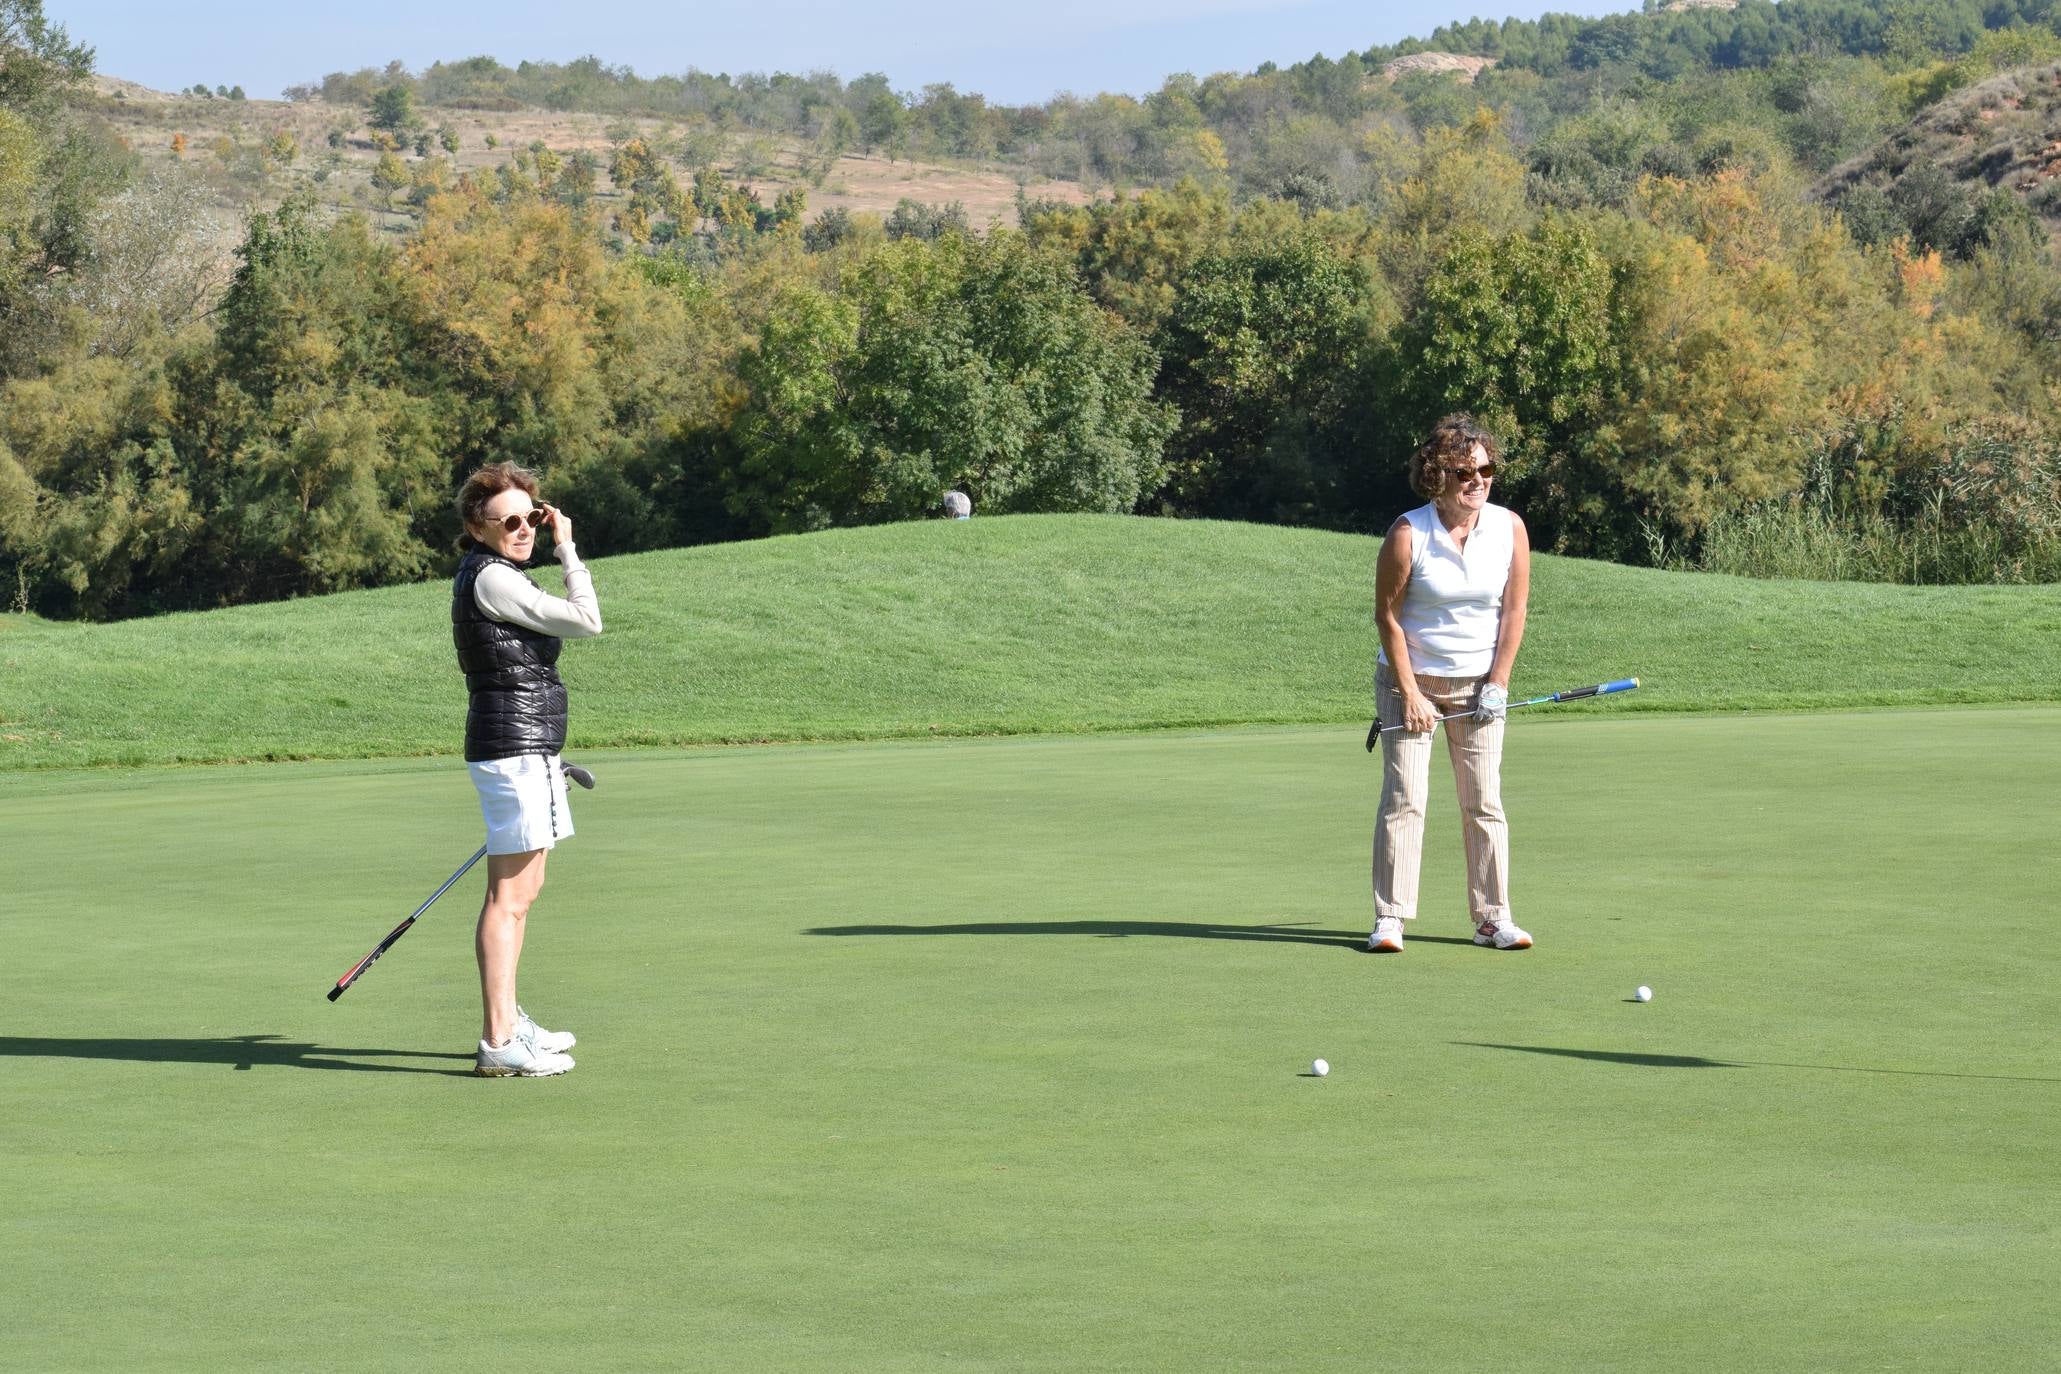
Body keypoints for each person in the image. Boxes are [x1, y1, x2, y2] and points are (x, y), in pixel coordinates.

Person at [451, 463, 604, 1075]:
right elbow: (586, 618)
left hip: (525, 748)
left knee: (524, 891)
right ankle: (499, 1040)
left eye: (532, 519)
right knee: (508, 899)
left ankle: (511, 1020)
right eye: (508, 521)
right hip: (513, 752)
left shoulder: (495, 573)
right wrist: (568, 546)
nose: (524, 530)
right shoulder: (494, 579)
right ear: (477, 528)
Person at [1368, 414, 1532, 955]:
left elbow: (1514, 612)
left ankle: (1492, 919)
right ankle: (1390, 918)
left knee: (1483, 801)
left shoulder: (1509, 528)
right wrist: (1410, 692)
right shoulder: (1408, 534)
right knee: (1406, 798)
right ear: (1436, 474)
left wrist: (1498, 683)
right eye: (1465, 472)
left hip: (1479, 685)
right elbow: (1387, 618)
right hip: (1408, 683)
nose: (1479, 481)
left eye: (1486, 469)